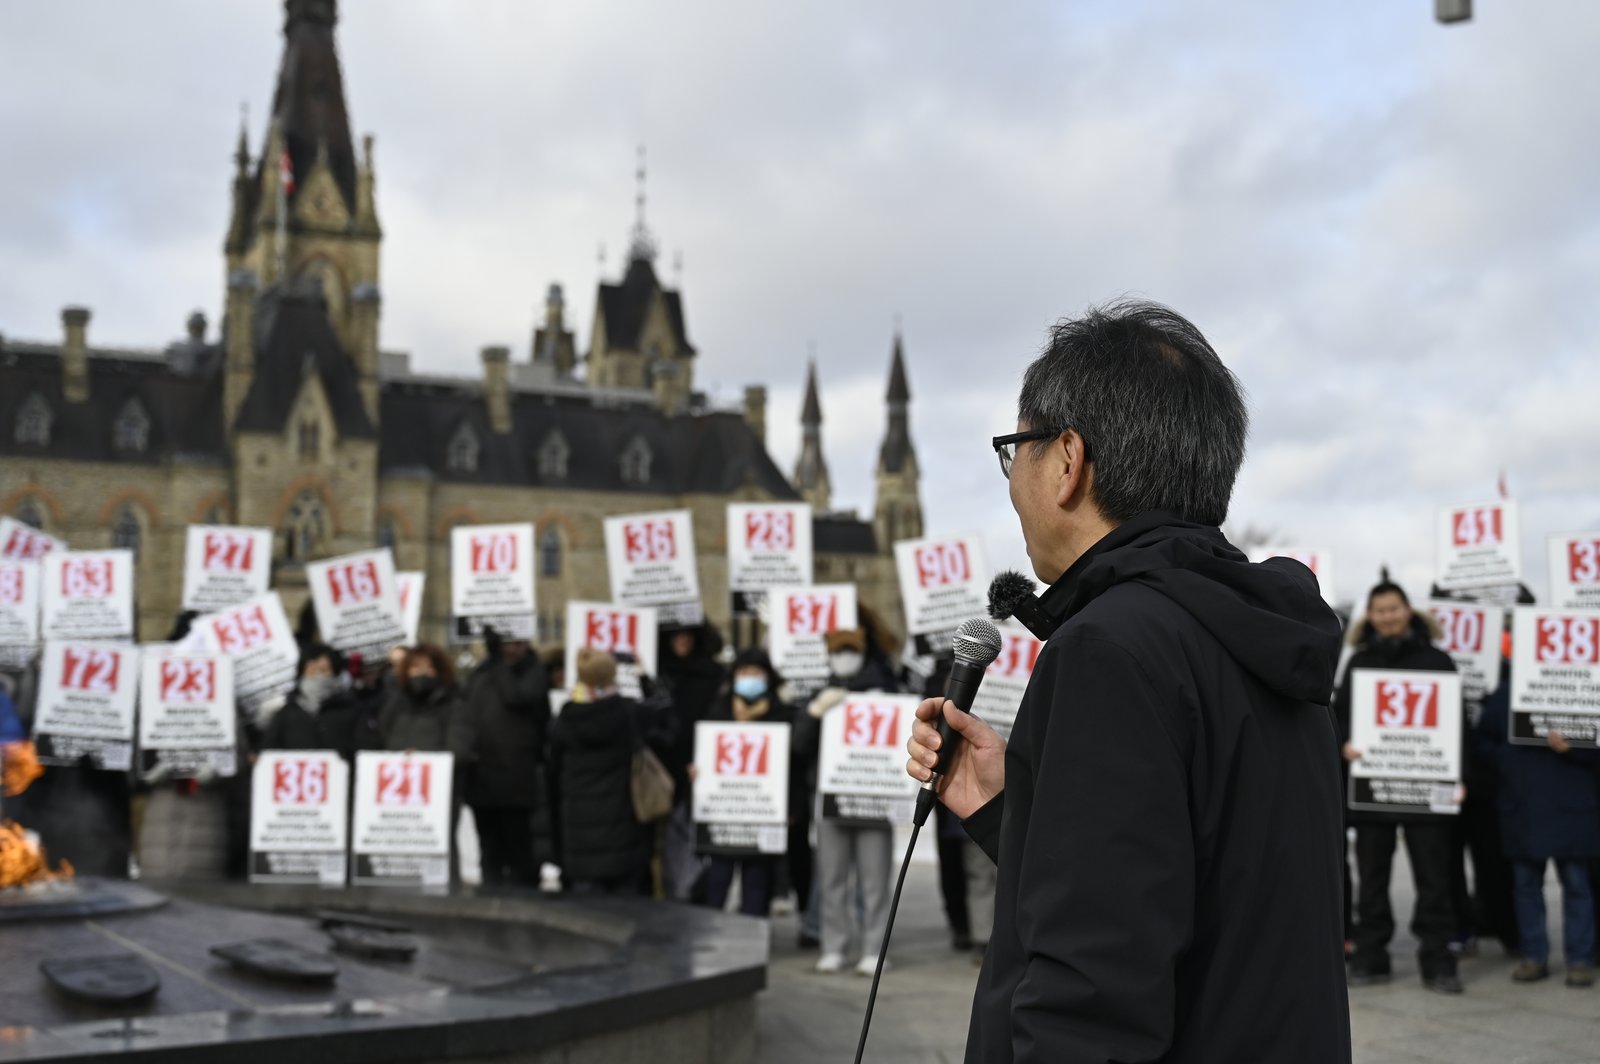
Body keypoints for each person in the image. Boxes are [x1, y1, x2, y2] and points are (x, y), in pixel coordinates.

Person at [905, 300, 1349, 1062]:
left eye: (1018, 451)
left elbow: (1091, 992)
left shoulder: (1109, 649)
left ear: (1069, 460)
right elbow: (1190, 889)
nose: (1013, 482)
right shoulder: (1258, 632)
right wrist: (1012, 810)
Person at [1335, 580, 1463, 993]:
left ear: (1409, 610)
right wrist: (1344, 745)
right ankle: (1372, 957)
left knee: (1434, 878)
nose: (1387, 616)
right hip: (1374, 789)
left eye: (1394, 608)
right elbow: (1338, 719)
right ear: (1369, 617)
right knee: (1372, 879)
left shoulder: (1439, 661)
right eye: (1379, 610)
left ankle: (1439, 960)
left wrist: (1461, 777)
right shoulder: (1358, 665)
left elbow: (1457, 728)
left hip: (1427, 789)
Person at [1476, 655, 1599, 986]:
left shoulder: (1582, 689)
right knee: (1528, 887)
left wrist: (1575, 748)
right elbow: (1483, 741)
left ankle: (1580, 959)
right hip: (1525, 805)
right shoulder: (1506, 693)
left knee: (1576, 886)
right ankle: (1534, 956)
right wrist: (1509, 760)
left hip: (1570, 805)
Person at [810, 625, 900, 976]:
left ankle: (875, 949)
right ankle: (833, 947)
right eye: (838, 651)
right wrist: (814, 712)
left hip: (873, 799)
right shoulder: (822, 692)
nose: (844, 657)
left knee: (875, 881)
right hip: (831, 798)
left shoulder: (885, 690)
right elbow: (800, 747)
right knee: (831, 878)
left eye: (850, 650)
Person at [696, 648, 809, 916]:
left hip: (761, 814)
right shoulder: (719, 711)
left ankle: (752, 945)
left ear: (768, 677)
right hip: (724, 815)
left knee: (757, 884)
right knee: (718, 881)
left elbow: (792, 767)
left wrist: (792, 809)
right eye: (744, 672)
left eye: (756, 672)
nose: (749, 677)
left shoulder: (783, 715)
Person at [549, 648, 654, 895]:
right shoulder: (626, 713)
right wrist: (642, 675)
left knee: (587, 921)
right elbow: (666, 712)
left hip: (580, 837)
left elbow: (552, 772)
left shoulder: (566, 718)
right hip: (623, 833)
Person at [459, 629, 551, 889]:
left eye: (516, 643)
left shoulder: (533, 672)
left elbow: (517, 697)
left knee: (518, 850)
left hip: (515, 779)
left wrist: (497, 662)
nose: (510, 649)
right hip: (482, 777)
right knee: (489, 851)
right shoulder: (482, 672)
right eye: (506, 644)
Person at [657, 623, 726, 901]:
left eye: (687, 634)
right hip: (664, 764)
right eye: (676, 634)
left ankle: (694, 889)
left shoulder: (714, 674)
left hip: (703, 764)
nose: (682, 640)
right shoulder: (659, 673)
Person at [260, 644, 383, 759]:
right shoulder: (287, 714)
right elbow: (268, 753)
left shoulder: (353, 711)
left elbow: (368, 753)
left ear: (336, 674)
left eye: (324, 671)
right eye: (312, 671)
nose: (318, 677)